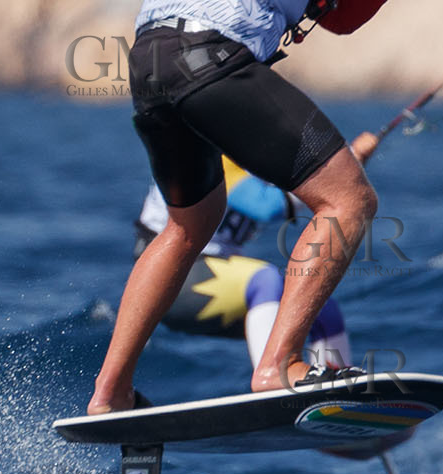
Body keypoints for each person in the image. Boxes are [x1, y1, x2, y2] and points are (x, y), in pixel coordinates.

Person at [87, 0, 443, 414]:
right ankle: (278, 367)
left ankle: (109, 394)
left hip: (151, 65)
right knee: (349, 198)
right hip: (210, 61)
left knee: (188, 224)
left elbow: (340, 14)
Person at [134, 155, 353, 373]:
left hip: (212, 276)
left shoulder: (252, 150)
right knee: (265, 279)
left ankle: (339, 388)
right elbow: (268, 206)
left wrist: (343, 166)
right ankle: (272, 379)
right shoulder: (213, 151)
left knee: (322, 307)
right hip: (170, 282)